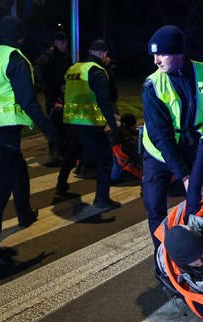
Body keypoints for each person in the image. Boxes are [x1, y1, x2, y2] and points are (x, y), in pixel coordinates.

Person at [0, 15, 61, 264]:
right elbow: (28, 102)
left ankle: (24, 213)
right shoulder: (16, 59)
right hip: (6, 125)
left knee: (17, 167)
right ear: (21, 36)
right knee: (3, 181)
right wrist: (51, 132)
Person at [142, 24, 203, 249]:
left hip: (194, 147)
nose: (156, 61)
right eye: (154, 55)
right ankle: (162, 257)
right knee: (154, 206)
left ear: (179, 52)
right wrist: (183, 175)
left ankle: (200, 255)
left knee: (202, 204)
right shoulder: (152, 85)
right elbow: (161, 137)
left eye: (161, 54)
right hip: (160, 152)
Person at [54, 39, 120, 210]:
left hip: (70, 121)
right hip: (88, 122)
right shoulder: (97, 71)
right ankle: (102, 199)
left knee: (73, 152)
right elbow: (105, 101)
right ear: (105, 55)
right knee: (105, 158)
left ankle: (60, 186)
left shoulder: (74, 68)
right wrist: (113, 126)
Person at [34, 31, 73, 117]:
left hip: (64, 90)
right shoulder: (49, 55)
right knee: (52, 116)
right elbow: (37, 66)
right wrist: (41, 81)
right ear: (55, 42)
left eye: (66, 43)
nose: (64, 45)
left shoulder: (66, 55)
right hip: (52, 92)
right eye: (62, 43)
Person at [111, 112, 142, 181]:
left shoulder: (116, 135)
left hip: (115, 173)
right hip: (128, 172)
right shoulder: (130, 142)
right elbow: (140, 160)